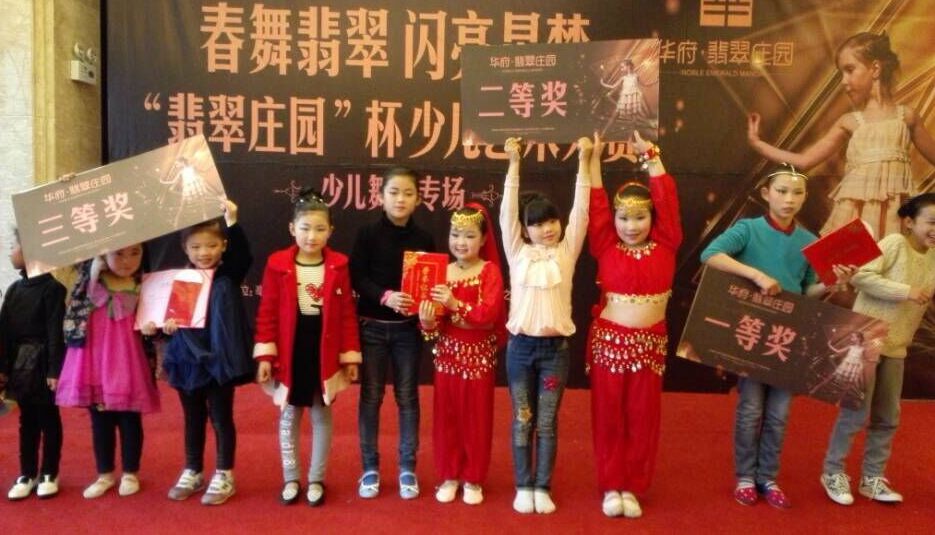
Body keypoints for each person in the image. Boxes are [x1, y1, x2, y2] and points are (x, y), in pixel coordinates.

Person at [701, 163, 855, 509]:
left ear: (805, 196)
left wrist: (833, 283)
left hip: (788, 335)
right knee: (751, 408)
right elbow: (710, 255)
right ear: (766, 193)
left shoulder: (809, 241)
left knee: (779, 413)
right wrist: (755, 275)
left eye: (797, 193)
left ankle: (768, 477)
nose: (789, 199)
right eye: (782, 191)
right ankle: (745, 476)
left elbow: (806, 291)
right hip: (753, 331)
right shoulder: (748, 229)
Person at [748, 32, 935, 239]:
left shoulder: (907, 117)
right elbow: (804, 161)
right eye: (841, 73)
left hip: (896, 219)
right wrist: (758, 144)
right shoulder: (849, 122)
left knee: (895, 257)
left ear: (875, 68)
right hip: (854, 221)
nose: (844, 81)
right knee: (848, 260)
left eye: (850, 70)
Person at [585, 132, 682, 518]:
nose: (631, 225)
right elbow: (596, 204)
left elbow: (667, 200)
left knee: (642, 417)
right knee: (609, 416)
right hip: (610, 346)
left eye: (640, 217)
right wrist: (593, 161)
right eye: (623, 217)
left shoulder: (667, 243)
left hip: (649, 347)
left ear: (653, 218)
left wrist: (652, 156)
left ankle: (633, 485)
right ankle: (612, 484)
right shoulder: (605, 246)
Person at [819, 192, 935, 506]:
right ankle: (832, 472)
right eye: (931, 222)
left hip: (897, 346)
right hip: (866, 340)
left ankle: (872, 478)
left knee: (887, 416)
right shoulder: (894, 244)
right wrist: (905, 291)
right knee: (855, 413)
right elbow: (861, 277)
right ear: (909, 222)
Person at [500, 135, 592, 514]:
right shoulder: (516, 251)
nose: (547, 228)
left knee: (548, 422)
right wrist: (514, 163)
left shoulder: (566, 252)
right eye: (537, 224)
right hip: (520, 350)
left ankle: (542, 486)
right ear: (524, 229)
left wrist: (584, 160)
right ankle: (523, 485)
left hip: (555, 353)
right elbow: (506, 212)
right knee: (523, 420)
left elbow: (581, 210)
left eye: (551, 220)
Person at [254, 189, 361, 507]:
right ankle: (291, 477)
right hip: (291, 350)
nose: (311, 236)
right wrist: (265, 355)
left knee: (321, 414)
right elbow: (267, 312)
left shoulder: (339, 266)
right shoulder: (277, 265)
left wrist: (349, 356)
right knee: (289, 415)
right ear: (292, 229)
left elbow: (346, 315)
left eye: (319, 229)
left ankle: (316, 478)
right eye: (305, 228)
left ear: (331, 231)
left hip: (323, 351)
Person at [159, 200, 254, 505]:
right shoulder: (180, 281)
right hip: (187, 359)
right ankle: (193, 470)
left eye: (212, 245)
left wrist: (232, 220)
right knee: (193, 417)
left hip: (219, 359)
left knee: (221, 417)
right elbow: (164, 321)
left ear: (223, 246)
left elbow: (243, 256)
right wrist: (166, 327)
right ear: (185, 249)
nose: (204, 252)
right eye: (196, 247)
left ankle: (224, 473)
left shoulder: (228, 275)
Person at [350, 167, 436, 500]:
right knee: (371, 397)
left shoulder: (424, 239)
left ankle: (407, 467)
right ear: (380, 196)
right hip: (371, 327)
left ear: (418, 199)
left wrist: (424, 308)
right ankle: (370, 467)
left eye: (408, 193)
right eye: (394, 192)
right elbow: (357, 277)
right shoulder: (367, 234)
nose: (400, 199)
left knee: (408, 398)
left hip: (407, 332)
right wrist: (385, 296)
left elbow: (429, 284)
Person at [55, 244, 161, 499]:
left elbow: (155, 322)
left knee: (129, 419)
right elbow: (71, 311)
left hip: (129, 363)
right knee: (100, 421)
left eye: (135, 253)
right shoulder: (87, 283)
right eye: (119, 253)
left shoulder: (145, 284)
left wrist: (153, 327)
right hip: (94, 363)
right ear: (103, 254)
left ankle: (130, 472)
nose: (127, 260)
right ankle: (104, 474)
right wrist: (92, 273)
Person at [417, 203, 506, 506]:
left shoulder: (489, 272)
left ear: (483, 240)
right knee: (447, 417)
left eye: (469, 236)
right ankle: (449, 475)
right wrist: (427, 320)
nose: (460, 242)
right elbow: (434, 325)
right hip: (447, 356)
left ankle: (473, 477)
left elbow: (488, 314)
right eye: (455, 234)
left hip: (478, 357)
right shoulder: (441, 271)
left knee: (476, 417)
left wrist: (455, 304)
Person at [1, 229, 66, 500]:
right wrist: (3, 368)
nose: (10, 251)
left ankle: (50, 471)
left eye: (14, 245)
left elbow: (55, 333)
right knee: (26, 419)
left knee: (48, 418)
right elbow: (4, 333)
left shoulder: (53, 289)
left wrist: (54, 369)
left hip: (42, 361)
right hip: (19, 363)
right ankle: (27, 472)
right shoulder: (14, 290)